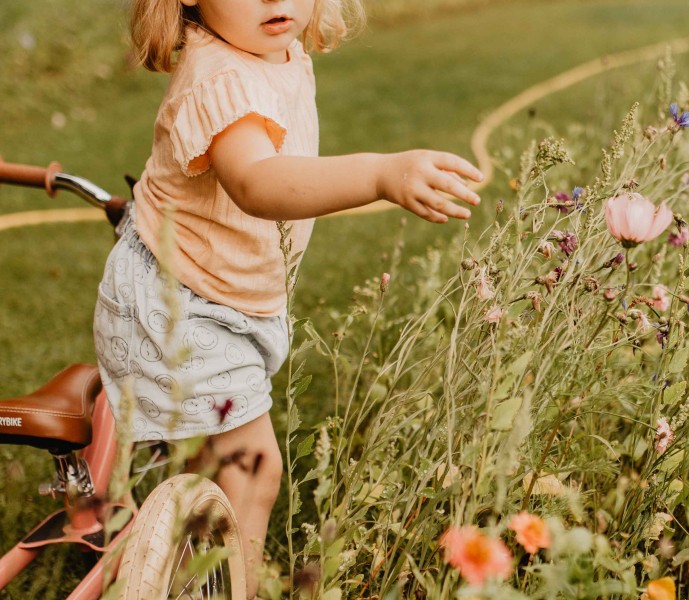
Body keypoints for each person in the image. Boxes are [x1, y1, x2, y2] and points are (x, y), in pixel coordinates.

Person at [93, 0, 483, 596]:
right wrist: (379, 174)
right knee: (255, 469)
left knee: (215, 468)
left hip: (218, 295)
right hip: (184, 303)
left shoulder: (274, 50)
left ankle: (189, 566)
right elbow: (257, 181)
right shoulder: (221, 78)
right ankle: (227, 587)